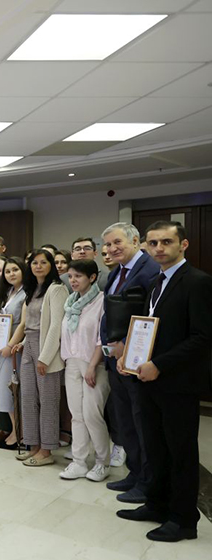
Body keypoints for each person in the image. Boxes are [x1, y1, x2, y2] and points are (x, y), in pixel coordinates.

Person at [115, 221, 212, 543]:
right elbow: (148, 328)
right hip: (148, 380)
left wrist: (159, 364)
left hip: (178, 383)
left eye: (166, 242)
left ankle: (183, 520)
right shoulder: (157, 281)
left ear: (183, 245)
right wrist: (129, 355)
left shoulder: (198, 282)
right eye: (153, 243)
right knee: (155, 447)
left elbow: (202, 338)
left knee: (180, 452)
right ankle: (157, 505)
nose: (159, 248)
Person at [100, 222, 159, 503]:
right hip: (115, 360)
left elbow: (150, 316)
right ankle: (134, 474)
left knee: (142, 424)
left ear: (135, 241)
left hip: (136, 360)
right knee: (125, 422)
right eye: (108, 244)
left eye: (117, 242)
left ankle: (148, 482)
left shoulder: (149, 270)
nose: (112, 249)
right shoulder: (117, 271)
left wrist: (126, 345)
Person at [13, 249, 69, 467]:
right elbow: (30, 323)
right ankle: (33, 445)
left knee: (48, 401)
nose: (38, 266)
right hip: (29, 344)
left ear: (51, 265)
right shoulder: (32, 289)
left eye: (43, 262)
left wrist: (45, 357)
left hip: (47, 349)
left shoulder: (57, 289)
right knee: (27, 398)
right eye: (34, 263)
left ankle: (46, 450)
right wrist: (23, 343)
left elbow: (55, 325)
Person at [58, 259, 109, 482]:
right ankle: (79, 461)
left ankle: (102, 462)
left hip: (94, 364)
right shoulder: (71, 302)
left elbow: (102, 337)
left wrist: (92, 366)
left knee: (92, 415)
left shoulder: (102, 300)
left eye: (78, 276)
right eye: (70, 276)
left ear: (92, 277)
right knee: (77, 415)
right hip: (72, 362)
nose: (73, 280)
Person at [0, 258, 26, 450]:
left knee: (12, 389)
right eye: (7, 271)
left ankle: (19, 433)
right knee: (5, 389)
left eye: (15, 270)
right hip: (2, 347)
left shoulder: (26, 293)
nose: (11, 274)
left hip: (15, 349)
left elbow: (23, 324)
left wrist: (10, 344)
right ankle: (14, 429)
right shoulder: (8, 292)